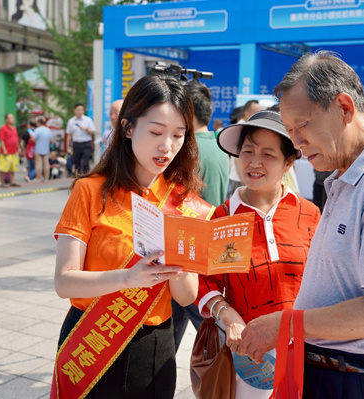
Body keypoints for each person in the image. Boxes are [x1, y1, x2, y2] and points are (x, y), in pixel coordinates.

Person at [239, 51, 364, 398]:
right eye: (290, 131)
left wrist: (286, 323)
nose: (297, 144)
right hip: (332, 373)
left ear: (344, 107)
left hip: (363, 381)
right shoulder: (346, 178)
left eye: (303, 126)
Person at [51, 74, 214, 399]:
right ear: (127, 128)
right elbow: (64, 282)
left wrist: (178, 265)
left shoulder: (186, 203)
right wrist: (129, 277)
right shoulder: (90, 191)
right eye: (156, 132)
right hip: (91, 338)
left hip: (153, 347)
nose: (167, 146)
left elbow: (185, 297)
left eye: (178, 135)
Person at [199, 110, 321, 398]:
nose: (254, 162)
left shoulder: (309, 213)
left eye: (268, 154)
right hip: (251, 360)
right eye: (247, 151)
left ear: (289, 162)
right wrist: (228, 317)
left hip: (307, 352)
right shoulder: (225, 216)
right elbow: (208, 282)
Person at [170, 79, 230, 353]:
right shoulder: (219, 145)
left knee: (198, 322)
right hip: (211, 248)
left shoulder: (187, 151)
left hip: (189, 253)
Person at [227, 100, 263, 198]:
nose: (258, 116)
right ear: (246, 113)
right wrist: (244, 180)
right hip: (239, 178)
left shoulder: (251, 127)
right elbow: (236, 158)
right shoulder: (241, 128)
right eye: (256, 113)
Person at [66, 103, 95, 175]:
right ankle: (78, 179)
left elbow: (93, 132)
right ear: (75, 111)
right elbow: (69, 135)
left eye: (81, 110)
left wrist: (86, 129)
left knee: (85, 163)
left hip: (86, 144)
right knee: (76, 163)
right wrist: (67, 147)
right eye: (78, 110)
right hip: (76, 144)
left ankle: (86, 177)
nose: (80, 111)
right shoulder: (71, 121)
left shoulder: (88, 120)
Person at [0, 113, 20, 188]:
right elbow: (2, 140)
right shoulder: (3, 128)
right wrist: (4, 149)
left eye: (13, 118)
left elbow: (16, 139)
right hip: (6, 151)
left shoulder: (14, 128)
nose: (12, 119)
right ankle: (2, 182)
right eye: (10, 118)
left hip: (14, 151)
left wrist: (18, 148)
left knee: (12, 167)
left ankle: (12, 182)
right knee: (3, 167)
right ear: (6, 120)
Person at [31, 116, 53, 182]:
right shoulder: (48, 130)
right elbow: (51, 140)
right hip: (46, 149)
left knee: (39, 164)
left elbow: (33, 139)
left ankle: (39, 178)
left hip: (38, 149)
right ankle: (46, 177)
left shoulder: (37, 130)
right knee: (46, 163)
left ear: (38, 122)